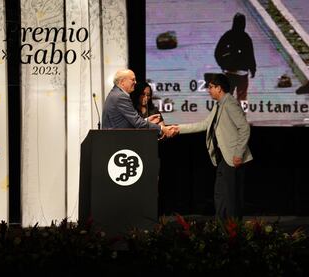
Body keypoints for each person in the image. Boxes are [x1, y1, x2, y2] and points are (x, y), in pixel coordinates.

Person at [172, 73, 252, 220]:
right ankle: (221, 227)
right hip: (223, 158)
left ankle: (233, 232)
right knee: (220, 195)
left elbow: (244, 128)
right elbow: (204, 125)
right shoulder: (219, 104)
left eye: (210, 87)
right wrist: (178, 129)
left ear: (219, 88)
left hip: (233, 158)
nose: (208, 90)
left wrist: (238, 154)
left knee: (231, 198)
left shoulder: (230, 103)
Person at [102, 69, 173, 136]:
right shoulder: (121, 96)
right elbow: (137, 122)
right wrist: (161, 128)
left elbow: (129, 122)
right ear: (122, 82)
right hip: (116, 141)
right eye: (133, 80)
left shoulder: (115, 93)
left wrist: (146, 120)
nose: (135, 82)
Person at [215, 12, 256, 102]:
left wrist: (222, 65)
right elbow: (250, 55)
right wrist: (253, 69)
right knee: (242, 97)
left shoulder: (227, 36)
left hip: (229, 72)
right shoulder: (246, 38)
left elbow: (217, 52)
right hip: (243, 73)